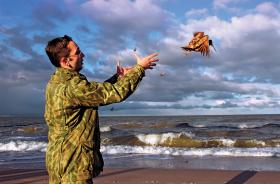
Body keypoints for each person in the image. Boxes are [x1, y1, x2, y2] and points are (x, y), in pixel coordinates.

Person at [44, 35, 158, 184]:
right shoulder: (72, 86)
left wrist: (117, 78)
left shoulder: (56, 81)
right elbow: (114, 94)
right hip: (73, 164)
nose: (83, 55)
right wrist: (139, 69)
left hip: (58, 160)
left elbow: (92, 94)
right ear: (66, 61)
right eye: (78, 52)